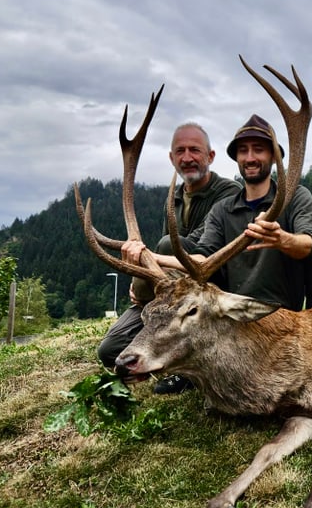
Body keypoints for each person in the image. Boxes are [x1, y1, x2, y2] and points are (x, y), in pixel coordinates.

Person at [97, 122, 238, 393]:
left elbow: (191, 250)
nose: (187, 158)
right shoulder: (172, 199)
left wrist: (145, 264)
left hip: (208, 293)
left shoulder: (228, 195)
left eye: (195, 150)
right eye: (180, 151)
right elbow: (160, 261)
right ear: (172, 158)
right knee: (111, 350)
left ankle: (188, 371)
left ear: (210, 156)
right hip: (171, 296)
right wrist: (141, 275)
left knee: (167, 244)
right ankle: (170, 357)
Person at [146, 114, 312, 311]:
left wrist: (282, 239)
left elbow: (309, 243)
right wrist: (153, 257)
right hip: (237, 313)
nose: (250, 158)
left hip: (283, 314)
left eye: (258, 150)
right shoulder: (222, 210)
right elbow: (203, 258)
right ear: (236, 158)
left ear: (273, 157)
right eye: (243, 151)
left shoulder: (295, 196)